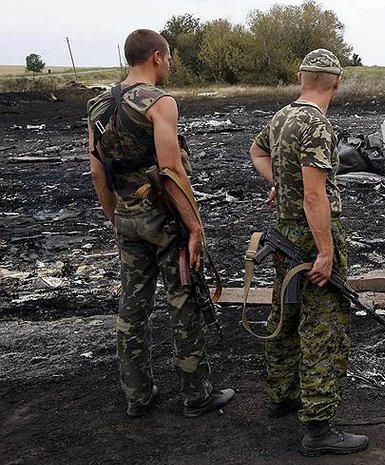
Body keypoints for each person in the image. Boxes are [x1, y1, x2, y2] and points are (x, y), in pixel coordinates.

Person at [86, 29, 234, 418]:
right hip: (165, 222)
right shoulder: (159, 102)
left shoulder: (98, 107)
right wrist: (195, 226)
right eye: (168, 58)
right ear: (156, 56)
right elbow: (171, 170)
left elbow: (98, 174)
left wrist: (115, 220)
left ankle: (137, 396)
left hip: (127, 218)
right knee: (182, 299)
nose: (169, 64)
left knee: (132, 307)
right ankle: (197, 394)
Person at [249, 49, 367, 457]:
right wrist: (326, 252)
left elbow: (257, 152)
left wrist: (281, 184)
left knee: (285, 315)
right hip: (308, 237)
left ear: (301, 77)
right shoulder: (316, 125)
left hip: (284, 235)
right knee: (323, 328)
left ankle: (282, 395)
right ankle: (318, 427)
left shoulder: (283, 117)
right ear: (337, 82)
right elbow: (315, 196)